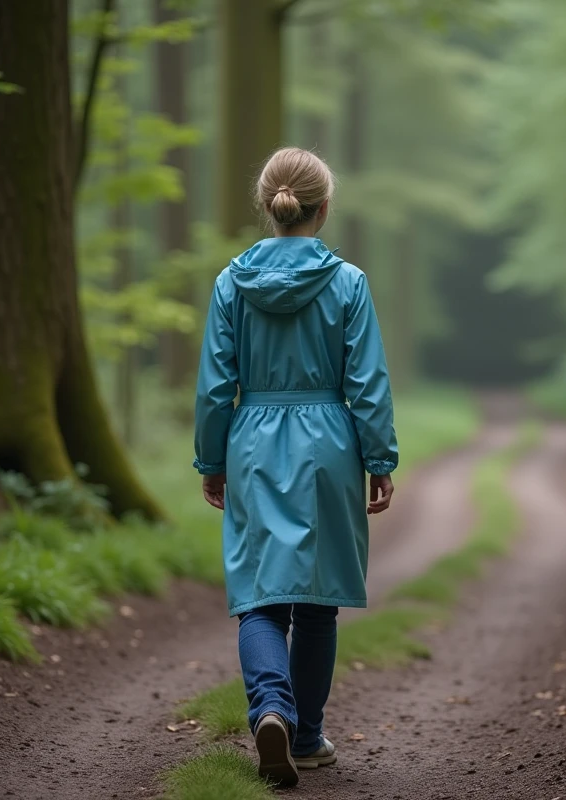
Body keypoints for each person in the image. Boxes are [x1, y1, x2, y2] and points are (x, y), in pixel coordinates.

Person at [193, 146, 398, 788]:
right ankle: (305, 736)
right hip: (329, 445)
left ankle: (270, 709)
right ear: (323, 208)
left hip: (252, 441)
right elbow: (367, 383)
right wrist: (379, 458)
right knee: (317, 600)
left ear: (268, 207)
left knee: (260, 595)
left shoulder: (231, 282)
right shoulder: (349, 283)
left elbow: (213, 385)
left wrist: (211, 457)